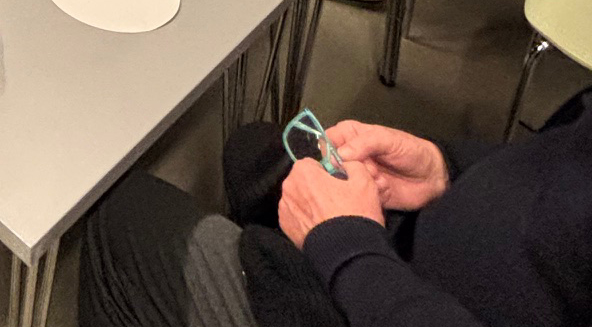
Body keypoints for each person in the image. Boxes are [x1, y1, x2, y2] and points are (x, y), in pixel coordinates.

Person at [77, 90, 592, 326]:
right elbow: (561, 158)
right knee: (255, 150)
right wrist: (446, 168)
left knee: (120, 211)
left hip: (388, 294)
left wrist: (348, 247)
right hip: (417, 252)